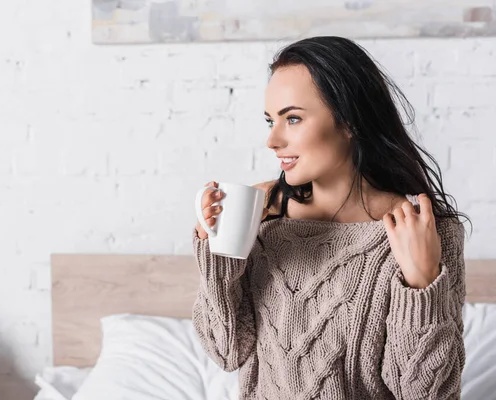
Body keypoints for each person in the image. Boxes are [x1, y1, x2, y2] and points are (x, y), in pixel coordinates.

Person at [192, 36, 470, 400]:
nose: (272, 140)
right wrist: (218, 250)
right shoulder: (261, 221)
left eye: (292, 118)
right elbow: (225, 352)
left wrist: (421, 285)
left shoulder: (426, 231)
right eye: (270, 121)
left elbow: (426, 394)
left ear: (350, 120)